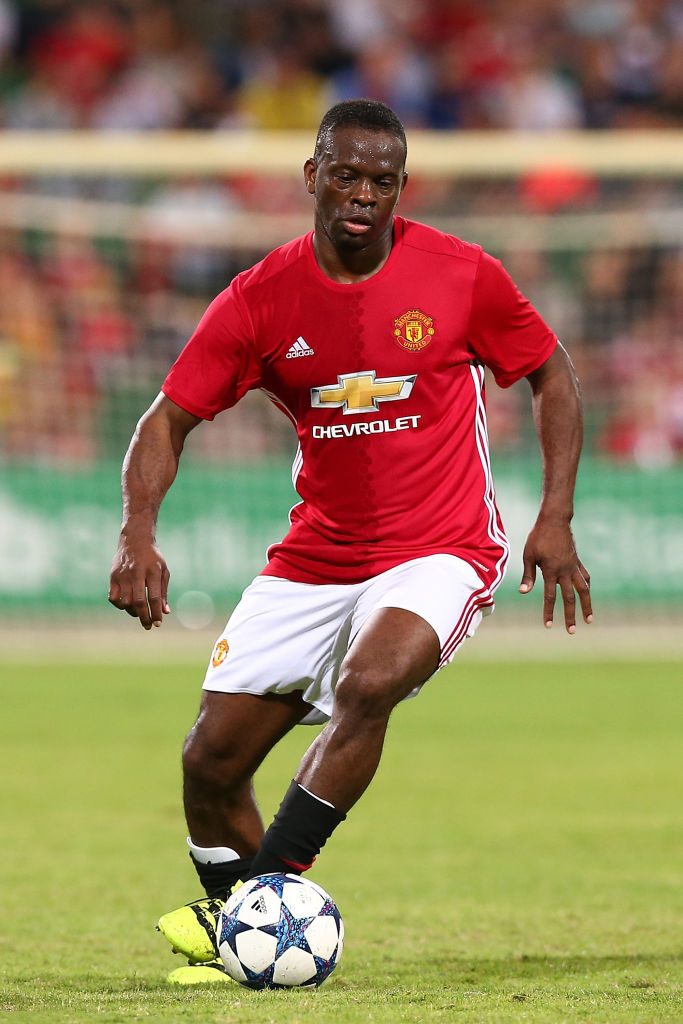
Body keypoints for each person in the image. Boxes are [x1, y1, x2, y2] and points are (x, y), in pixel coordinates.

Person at [108, 98, 592, 983]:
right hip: (317, 557)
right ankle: (243, 935)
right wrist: (137, 534)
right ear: (312, 177)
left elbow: (551, 373)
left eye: (382, 180)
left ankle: (256, 911)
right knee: (209, 761)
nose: (363, 193)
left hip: (441, 548)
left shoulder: (461, 275)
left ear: (402, 188)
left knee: (370, 683)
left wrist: (553, 515)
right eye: (346, 175)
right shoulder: (259, 298)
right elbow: (165, 420)